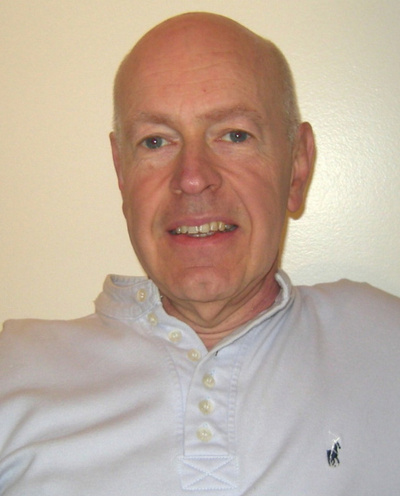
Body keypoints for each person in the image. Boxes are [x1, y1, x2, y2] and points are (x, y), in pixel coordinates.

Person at [0, 12, 399, 496]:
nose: (192, 178)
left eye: (234, 135)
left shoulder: (386, 347)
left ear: (297, 166)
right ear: (122, 173)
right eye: (156, 141)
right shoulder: (13, 368)